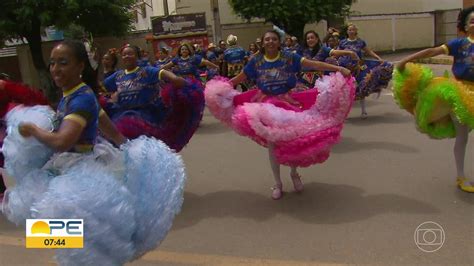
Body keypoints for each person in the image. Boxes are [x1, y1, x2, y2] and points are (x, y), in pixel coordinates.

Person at [2, 40, 186, 265]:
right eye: (52, 63)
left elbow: (62, 141)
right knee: (52, 234)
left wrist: (33, 130)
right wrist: (123, 144)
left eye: (63, 62)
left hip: (78, 173)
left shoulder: (79, 98)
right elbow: (102, 119)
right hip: (67, 168)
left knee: (65, 233)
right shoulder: (75, 94)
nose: (55, 69)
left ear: (80, 66)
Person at [205, 30, 355, 200]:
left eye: (274, 39)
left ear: (279, 42)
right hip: (266, 105)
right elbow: (240, 78)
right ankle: (277, 183)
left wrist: (338, 68)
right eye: (267, 39)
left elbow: (314, 64)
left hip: (289, 102)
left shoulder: (289, 57)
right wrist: (220, 90)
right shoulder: (255, 61)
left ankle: (294, 173)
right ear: (263, 42)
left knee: (292, 141)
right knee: (272, 144)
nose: (270, 42)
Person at [394, 6, 474, 193]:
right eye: (472, 20)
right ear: (465, 24)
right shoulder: (458, 44)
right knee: (463, 137)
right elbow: (432, 52)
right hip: (461, 93)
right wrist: (406, 60)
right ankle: (461, 176)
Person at [103, 44, 205, 151]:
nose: (127, 56)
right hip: (121, 116)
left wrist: (182, 84)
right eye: (124, 55)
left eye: (130, 54)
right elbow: (102, 87)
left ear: (137, 56)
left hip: (145, 117)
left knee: (145, 151)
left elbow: (169, 76)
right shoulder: (118, 75)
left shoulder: (147, 71)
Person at [338, 23, 393, 119]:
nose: (351, 31)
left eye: (353, 29)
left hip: (359, 68)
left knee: (361, 88)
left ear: (356, 31)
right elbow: (338, 52)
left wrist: (377, 57)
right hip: (346, 68)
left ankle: (363, 111)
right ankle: (344, 113)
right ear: (347, 32)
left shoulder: (360, 42)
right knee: (345, 89)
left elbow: (368, 51)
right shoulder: (342, 43)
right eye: (349, 30)